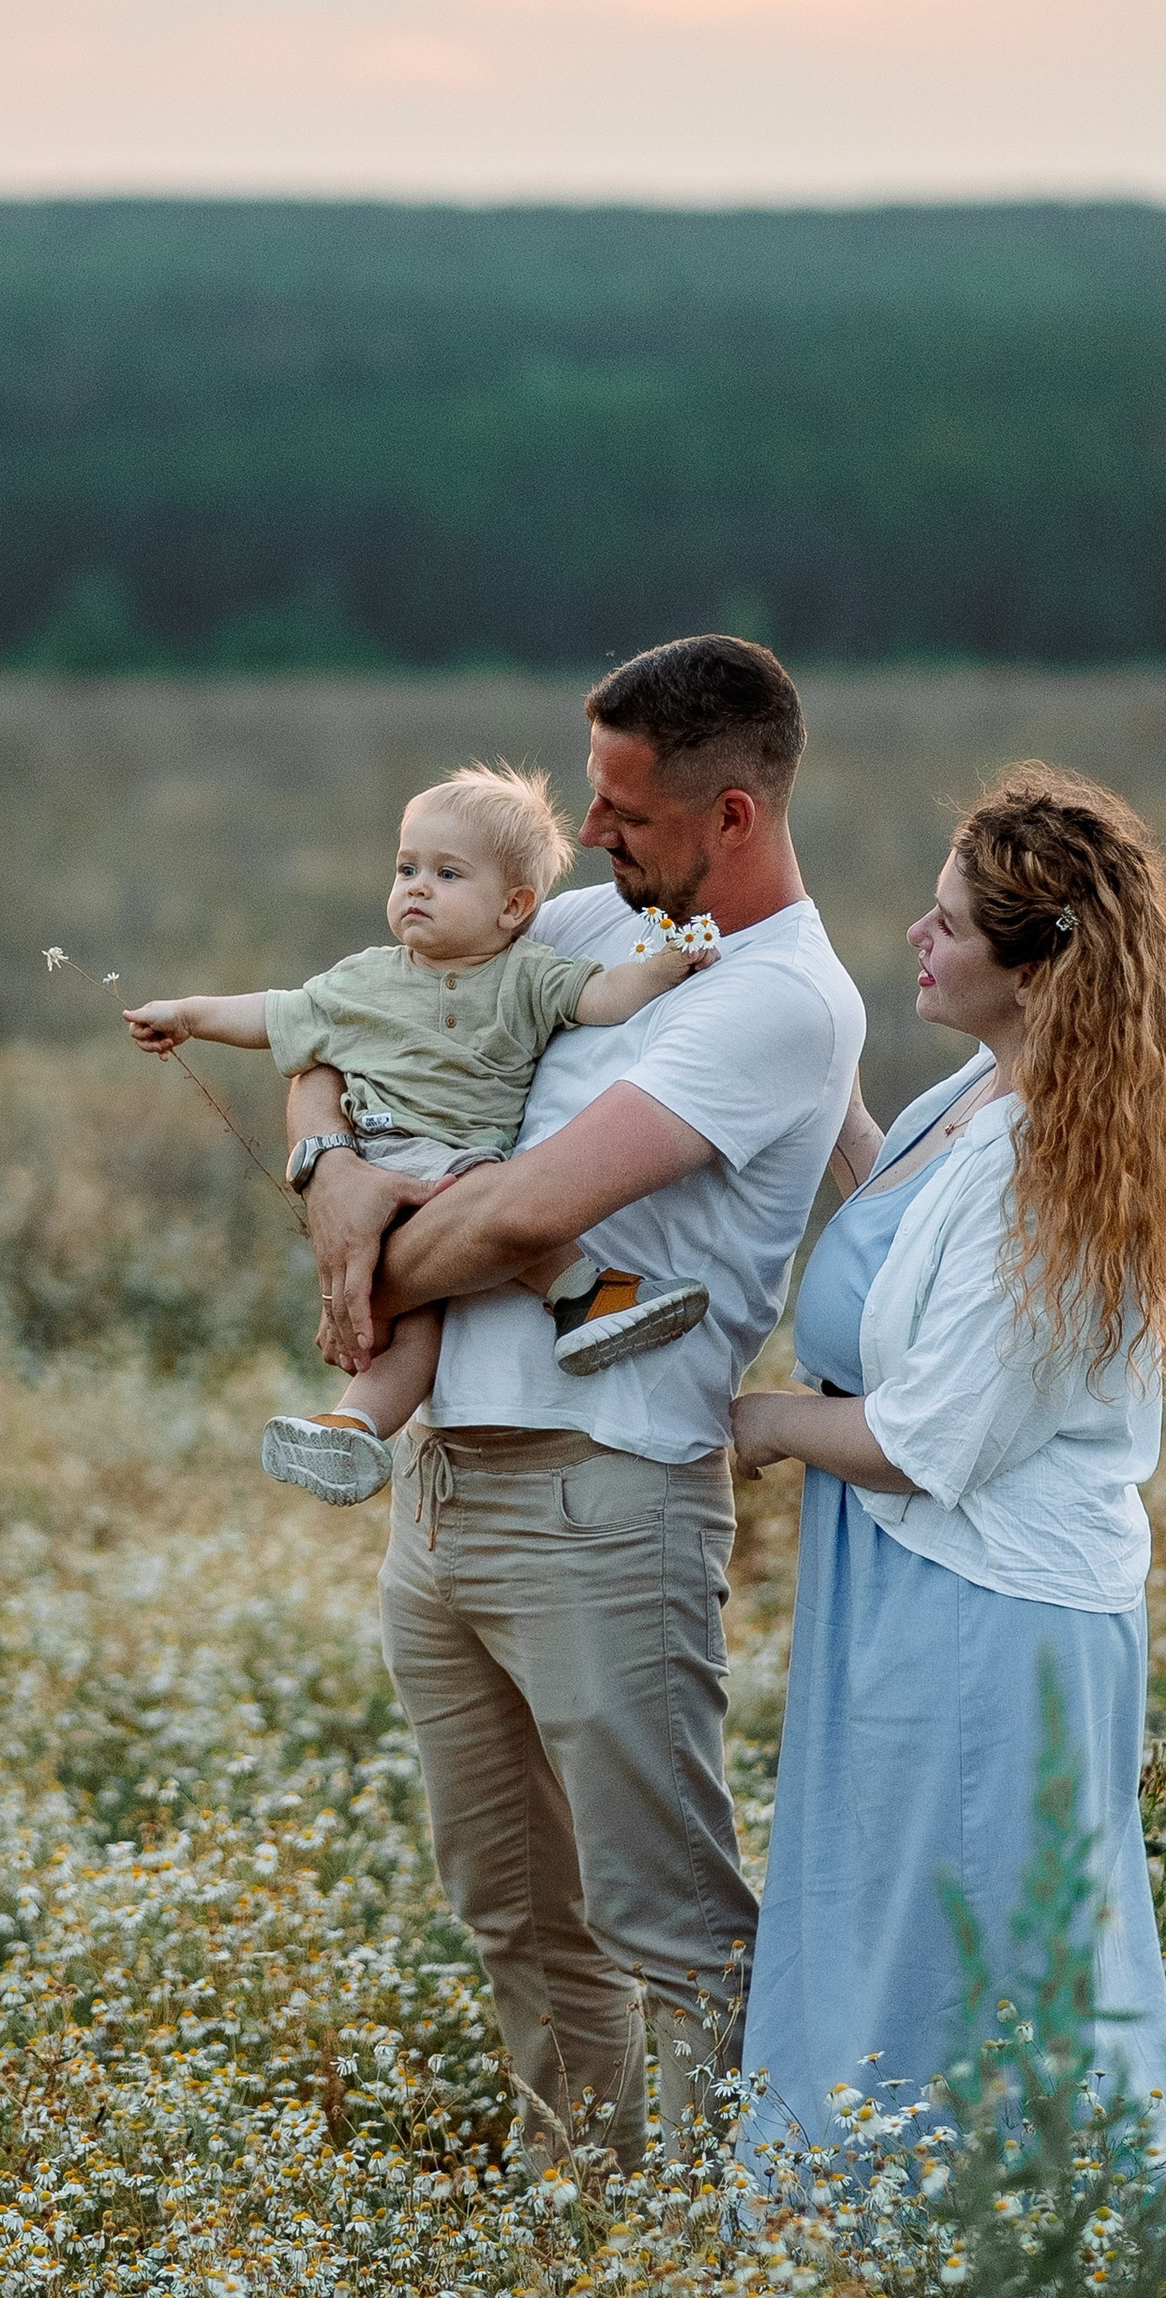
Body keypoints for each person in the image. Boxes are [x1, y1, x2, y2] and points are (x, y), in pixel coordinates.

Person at [296, 635, 870, 2170]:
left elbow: (525, 1219)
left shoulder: (779, 1002)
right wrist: (328, 1167)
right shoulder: (589, 918)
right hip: (444, 1495)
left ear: (733, 816)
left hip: (603, 1499)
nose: (592, 838)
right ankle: (586, 2217)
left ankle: (725, 2242)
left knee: (671, 1930)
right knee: (513, 1913)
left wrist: (371, 1263)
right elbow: (347, 1025)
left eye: (626, 810)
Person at [729, 764, 1166, 2181]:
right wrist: (825, 1113)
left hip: (978, 1613)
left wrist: (754, 1426)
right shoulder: (994, 1090)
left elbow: (927, 1437)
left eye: (949, 922)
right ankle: (876, 2242)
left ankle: (970, 2246)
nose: (914, 936)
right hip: (910, 1590)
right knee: (902, 1938)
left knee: (963, 1969)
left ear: (1037, 962)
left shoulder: (1053, 1165)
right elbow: (918, 1255)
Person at [123, 764, 720, 1507]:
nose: (416, 888)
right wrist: (188, 1014)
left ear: (514, 906)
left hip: (459, 1170)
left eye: (446, 873)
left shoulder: (530, 976)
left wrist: (661, 968)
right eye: (406, 869)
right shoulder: (364, 979)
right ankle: (557, 1310)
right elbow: (279, 1015)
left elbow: (602, 999)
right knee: (468, 1233)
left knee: (434, 1306)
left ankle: (378, 1411)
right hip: (384, 1155)